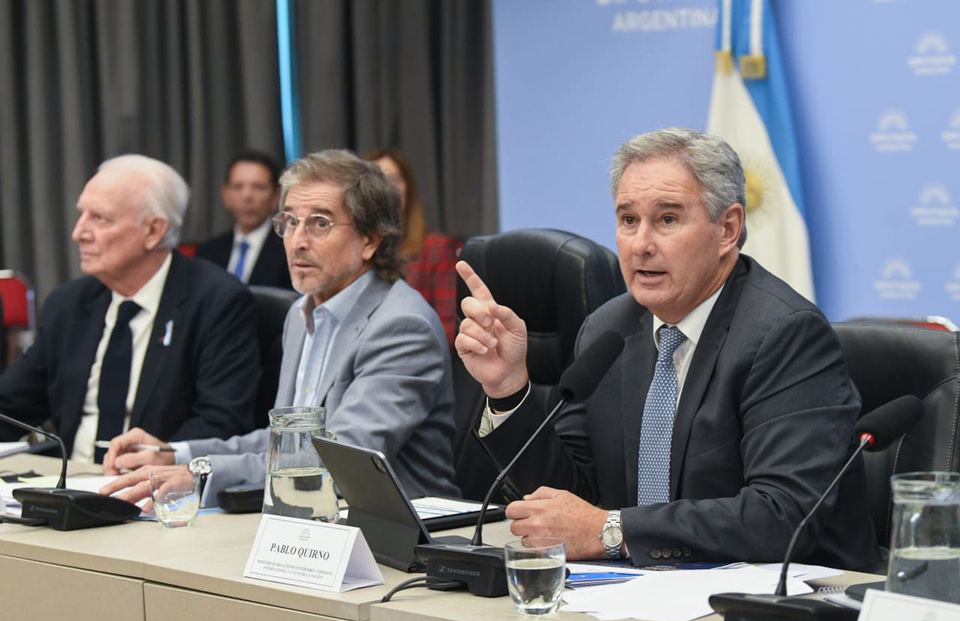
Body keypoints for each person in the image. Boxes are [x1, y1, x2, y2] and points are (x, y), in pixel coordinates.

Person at [456, 128, 879, 569]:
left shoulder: (785, 334)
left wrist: (612, 531)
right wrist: (508, 389)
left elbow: (781, 515)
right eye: (628, 220)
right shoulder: (607, 330)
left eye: (668, 219)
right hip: (645, 590)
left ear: (728, 229)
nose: (641, 245)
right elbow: (570, 500)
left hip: (790, 595)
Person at [101, 149, 459, 504]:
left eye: (320, 223)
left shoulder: (400, 326)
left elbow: (338, 463)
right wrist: (176, 454)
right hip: (313, 516)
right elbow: (283, 443)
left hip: (401, 527)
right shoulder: (300, 315)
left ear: (370, 240)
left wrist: (201, 473)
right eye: (289, 221)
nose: (298, 241)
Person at [0, 155, 260, 461]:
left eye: (100, 218)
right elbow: (10, 406)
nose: (78, 233)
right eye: (82, 215)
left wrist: (159, 458)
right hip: (69, 479)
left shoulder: (217, 301)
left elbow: (223, 424)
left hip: (156, 482)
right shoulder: (68, 304)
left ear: (153, 231)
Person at [363, 148, 460, 347]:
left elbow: (447, 331)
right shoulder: (353, 255)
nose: (385, 188)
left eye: (392, 179)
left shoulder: (436, 249)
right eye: (376, 180)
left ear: (407, 189)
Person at [195, 150, 293, 289]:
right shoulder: (207, 253)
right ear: (225, 195)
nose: (247, 196)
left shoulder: (289, 250)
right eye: (238, 187)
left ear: (276, 196)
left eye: (258, 187)